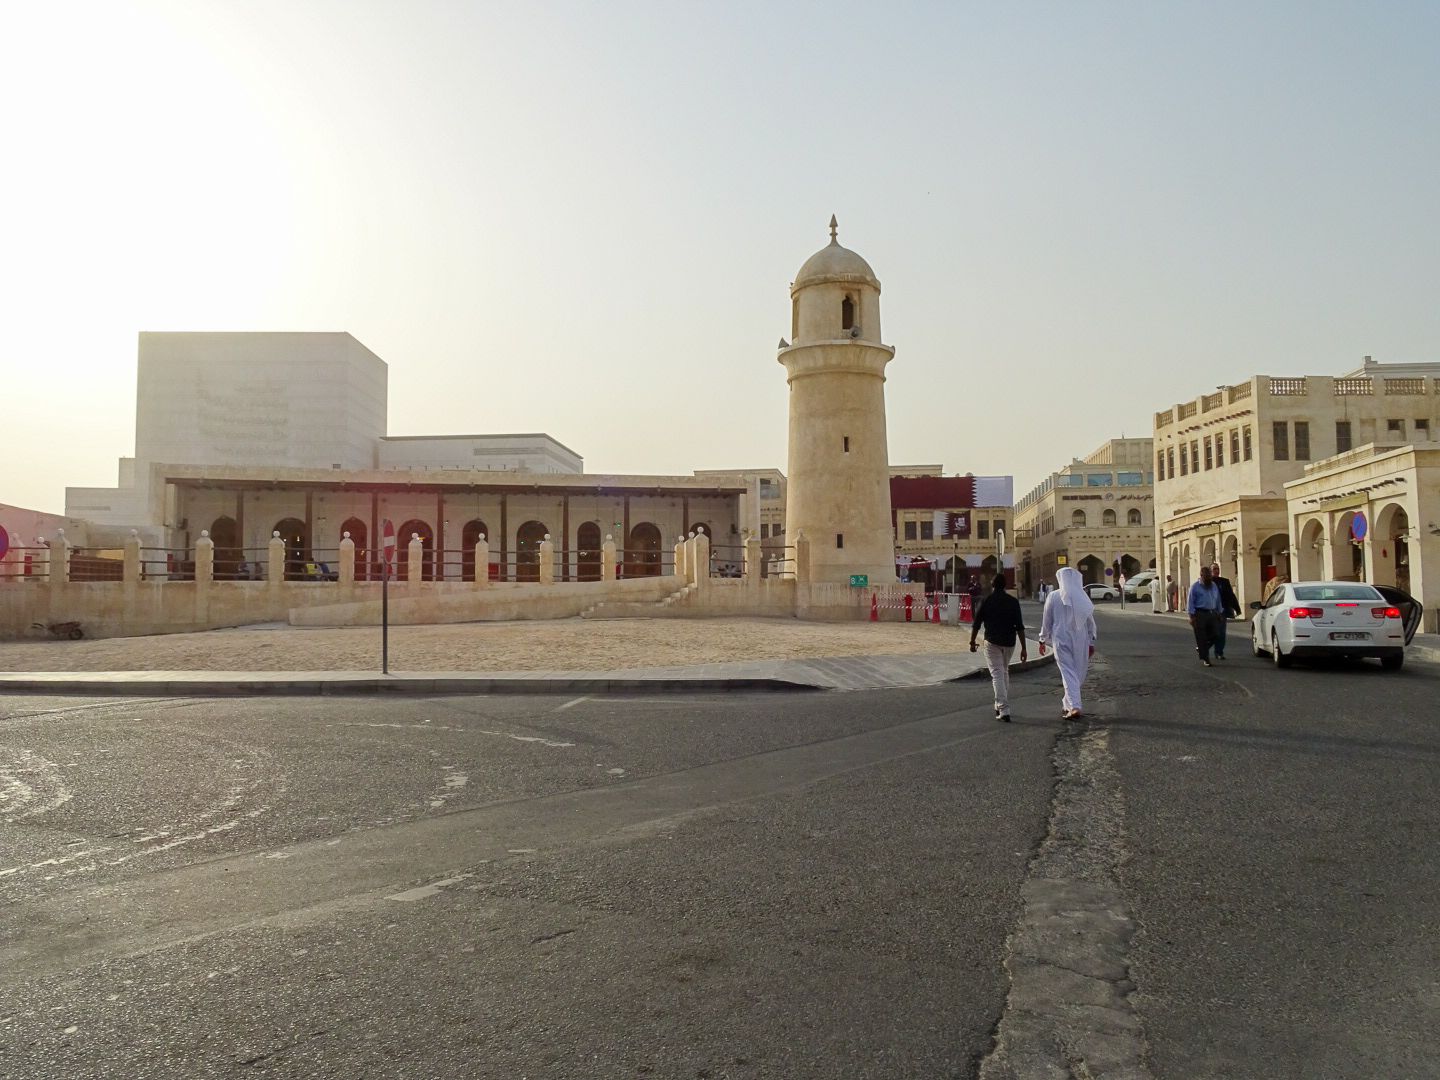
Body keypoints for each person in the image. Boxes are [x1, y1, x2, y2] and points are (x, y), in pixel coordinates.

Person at [1039, 566, 1097, 719]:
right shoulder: (1082, 596)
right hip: (1080, 640)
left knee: (1070, 672)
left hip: (1061, 638)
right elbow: (1091, 623)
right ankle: (1071, 704)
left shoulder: (1053, 596)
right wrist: (1091, 641)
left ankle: (1073, 705)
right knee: (1073, 672)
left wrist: (1042, 638)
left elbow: (1047, 620)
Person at [969, 574, 1028, 722]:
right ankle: (999, 704)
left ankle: (1003, 708)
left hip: (992, 642)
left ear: (992, 584)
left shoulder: (986, 600)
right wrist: (1024, 648)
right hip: (1009, 642)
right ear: (1005, 585)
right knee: (1004, 671)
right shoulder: (1013, 602)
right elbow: (1019, 626)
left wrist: (972, 641)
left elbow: (976, 624)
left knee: (997, 674)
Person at [1187, 563, 1226, 666]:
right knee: (1201, 637)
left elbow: (1217, 600)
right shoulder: (1195, 587)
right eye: (1206, 576)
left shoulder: (1213, 586)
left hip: (1212, 613)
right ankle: (1206, 659)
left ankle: (1201, 648)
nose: (1209, 578)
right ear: (1201, 576)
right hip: (1200, 614)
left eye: (1210, 576)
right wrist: (1191, 616)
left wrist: (1220, 612)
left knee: (1217, 635)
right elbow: (1190, 601)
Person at [1208, 561, 1242, 659]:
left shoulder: (1224, 582)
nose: (1216, 571)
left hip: (1222, 611)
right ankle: (1204, 648)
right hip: (1209, 611)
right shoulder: (1206, 582)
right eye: (1214, 569)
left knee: (1221, 632)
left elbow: (1230, 596)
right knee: (1211, 633)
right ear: (1210, 571)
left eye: (1217, 569)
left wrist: (1237, 608)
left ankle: (1219, 652)